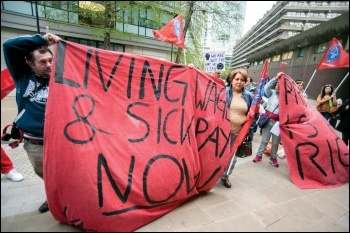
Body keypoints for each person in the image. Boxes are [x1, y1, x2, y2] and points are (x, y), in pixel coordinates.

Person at [3, 33, 62, 213]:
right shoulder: (22, 75)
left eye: (51, 60)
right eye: (43, 62)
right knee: (46, 176)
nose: (49, 65)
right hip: (35, 143)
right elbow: (9, 46)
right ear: (29, 63)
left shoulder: (61, 76)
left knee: (68, 176)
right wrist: (41, 40)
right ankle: (52, 199)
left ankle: (68, 201)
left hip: (61, 141)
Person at [220, 68, 255, 188]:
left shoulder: (249, 96)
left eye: (242, 80)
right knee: (217, 155)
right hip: (221, 132)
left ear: (245, 82)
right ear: (231, 80)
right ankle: (211, 176)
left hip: (238, 133)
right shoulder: (223, 92)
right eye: (237, 79)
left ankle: (225, 176)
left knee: (232, 158)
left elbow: (252, 115)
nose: (239, 82)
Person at [253, 72, 283, 167]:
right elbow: (266, 87)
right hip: (268, 120)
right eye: (277, 85)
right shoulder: (271, 93)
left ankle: (273, 158)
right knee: (264, 140)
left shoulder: (286, 97)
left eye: (280, 85)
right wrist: (275, 78)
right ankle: (259, 155)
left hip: (278, 123)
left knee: (275, 142)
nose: (278, 86)